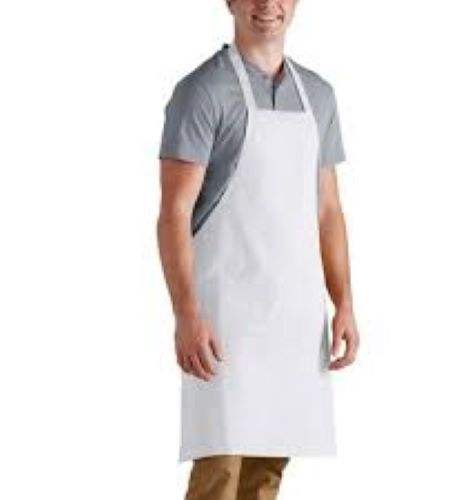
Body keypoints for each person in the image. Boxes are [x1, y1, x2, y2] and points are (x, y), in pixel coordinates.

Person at [156, 1, 360, 498]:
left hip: (292, 320)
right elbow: (174, 214)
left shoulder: (318, 96)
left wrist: (344, 303)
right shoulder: (202, 91)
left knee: (267, 473)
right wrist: (186, 313)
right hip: (225, 320)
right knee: (220, 471)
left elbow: (328, 211)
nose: (268, 5)